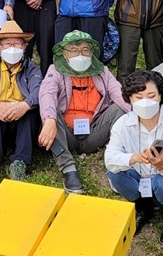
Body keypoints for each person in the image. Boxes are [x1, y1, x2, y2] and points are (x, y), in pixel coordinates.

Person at [38, 30, 130, 194]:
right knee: (50, 115)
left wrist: (139, 115)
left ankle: (116, 160)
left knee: (119, 109)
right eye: (74, 50)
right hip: (67, 134)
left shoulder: (102, 72)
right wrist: (49, 120)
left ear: (91, 52)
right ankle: (68, 168)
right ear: (65, 54)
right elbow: (47, 93)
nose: (80, 55)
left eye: (85, 50)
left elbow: (118, 93)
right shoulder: (55, 70)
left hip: (94, 131)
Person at [105, 70, 163, 245]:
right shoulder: (122, 124)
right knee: (115, 173)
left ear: (161, 96)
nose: (145, 102)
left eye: (151, 96)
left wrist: (161, 165)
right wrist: (134, 157)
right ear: (129, 99)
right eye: (138, 97)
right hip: (137, 177)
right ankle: (143, 208)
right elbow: (110, 159)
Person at [0, 21, 42, 194]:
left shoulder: (32, 68)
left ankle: (19, 163)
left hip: (21, 116)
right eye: (7, 44)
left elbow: (38, 91)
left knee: (29, 116)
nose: (12, 48)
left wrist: (25, 105)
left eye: (17, 44)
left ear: (24, 47)